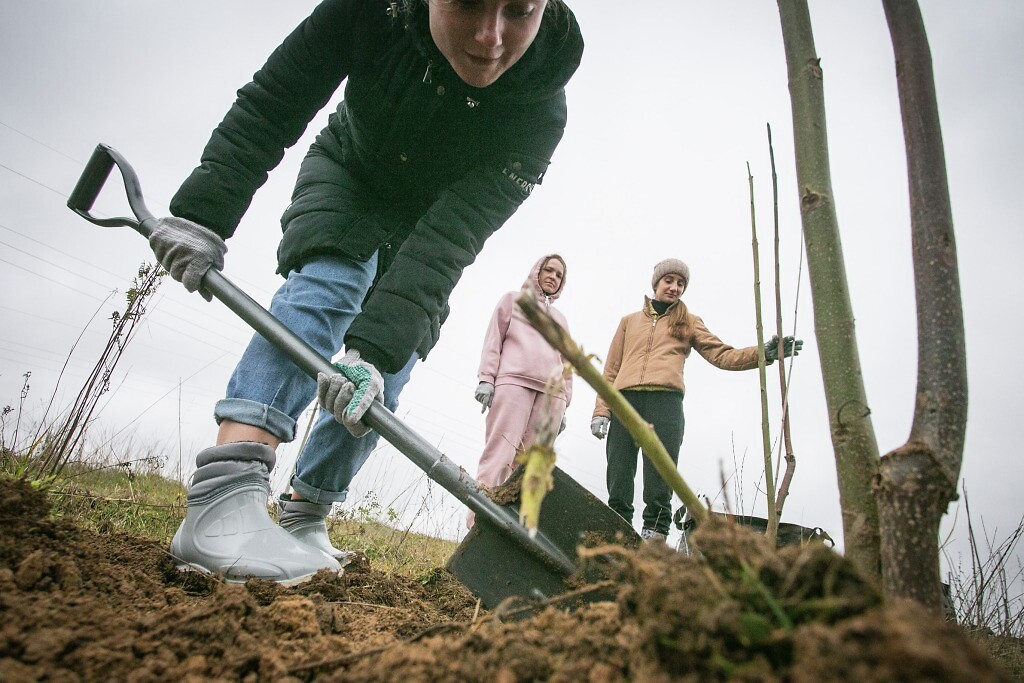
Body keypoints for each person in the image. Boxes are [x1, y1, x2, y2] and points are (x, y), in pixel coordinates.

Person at [149, 0, 584, 584]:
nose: (491, 36)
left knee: (387, 371)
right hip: (350, 171)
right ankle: (224, 497)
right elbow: (276, 99)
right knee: (331, 284)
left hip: (428, 224)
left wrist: (374, 355)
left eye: (520, 11)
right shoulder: (368, 10)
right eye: (467, 4)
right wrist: (204, 214)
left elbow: (452, 237)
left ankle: (306, 513)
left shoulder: (540, 108)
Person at [590, 259, 802, 542]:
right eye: (669, 281)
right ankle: (616, 534)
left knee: (659, 477)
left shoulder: (689, 321)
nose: (675, 288)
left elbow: (722, 355)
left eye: (680, 284)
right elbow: (610, 370)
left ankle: (654, 538)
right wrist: (601, 410)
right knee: (618, 475)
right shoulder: (629, 322)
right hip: (624, 403)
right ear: (656, 283)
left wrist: (765, 352)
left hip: (665, 404)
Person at [470, 254, 572, 527]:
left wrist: (565, 405)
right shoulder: (513, 301)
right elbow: (494, 340)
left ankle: (509, 532)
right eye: (548, 270)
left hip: (552, 397)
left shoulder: (560, 319)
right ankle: (477, 525)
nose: (553, 277)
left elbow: (567, 361)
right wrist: (486, 379)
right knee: (499, 456)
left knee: (530, 468)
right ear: (537, 272)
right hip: (514, 383)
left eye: (559, 275)